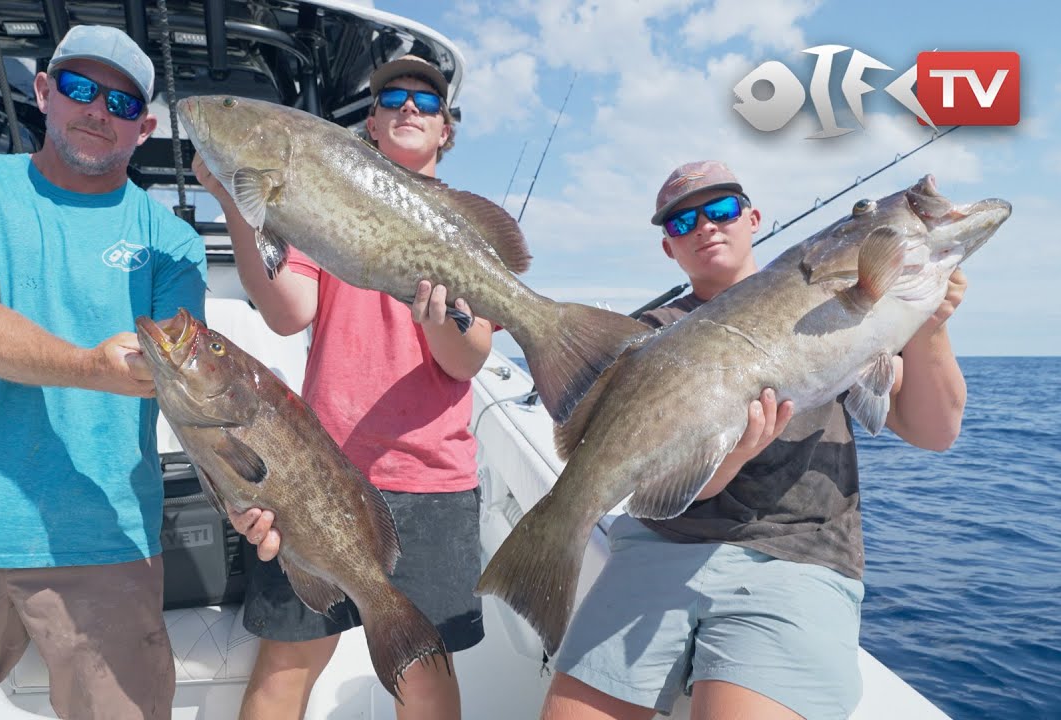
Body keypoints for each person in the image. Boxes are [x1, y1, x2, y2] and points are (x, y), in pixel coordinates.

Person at [539, 161, 970, 720]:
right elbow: (657, 496)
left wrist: (929, 322)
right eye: (681, 222)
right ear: (669, 249)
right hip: (661, 545)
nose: (705, 227)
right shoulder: (648, 336)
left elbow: (935, 432)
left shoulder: (832, 301)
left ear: (753, 218)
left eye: (720, 210)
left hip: (798, 555)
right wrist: (733, 453)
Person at [0, 25, 207, 720]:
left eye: (120, 102)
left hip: (109, 541)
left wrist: (259, 495)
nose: (97, 110)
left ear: (143, 127)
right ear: (44, 93)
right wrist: (88, 366)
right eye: (81, 88)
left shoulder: (172, 240)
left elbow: (196, 383)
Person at [192, 55, 487, 720]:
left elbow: (468, 360)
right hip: (320, 471)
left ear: (447, 131)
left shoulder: (467, 222)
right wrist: (234, 201)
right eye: (393, 99)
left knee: (423, 668)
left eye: (427, 101)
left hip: (432, 477)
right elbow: (286, 311)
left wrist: (446, 320)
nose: (409, 107)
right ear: (372, 125)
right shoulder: (322, 202)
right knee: (286, 659)